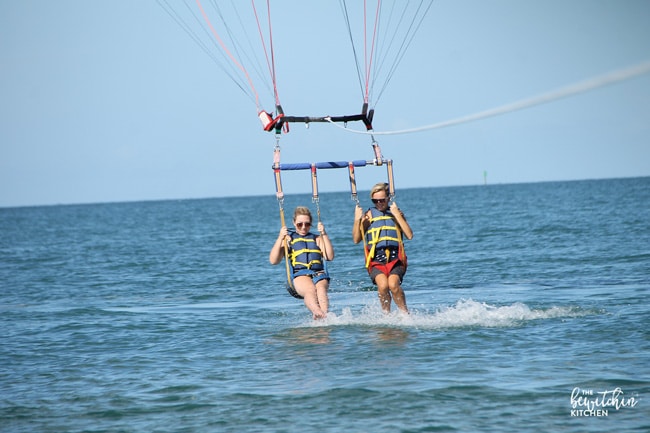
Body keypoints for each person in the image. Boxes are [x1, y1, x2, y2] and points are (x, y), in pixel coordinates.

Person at [353, 182, 413, 313]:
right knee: (383, 285)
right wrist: (357, 220)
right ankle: (386, 315)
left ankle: (405, 314)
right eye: (375, 201)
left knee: (393, 285)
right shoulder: (369, 215)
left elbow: (409, 235)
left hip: (396, 258)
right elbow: (356, 239)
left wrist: (397, 215)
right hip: (376, 259)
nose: (379, 203)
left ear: (388, 199)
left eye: (382, 200)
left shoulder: (396, 213)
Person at [269, 206, 334, 319]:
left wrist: (324, 233)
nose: (303, 227)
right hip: (300, 274)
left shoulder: (317, 238)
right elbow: (274, 261)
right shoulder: (288, 239)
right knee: (310, 290)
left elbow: (329, 256)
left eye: (307, 224)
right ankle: (317, 312)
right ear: (294, 223)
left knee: (321, 289)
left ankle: (325, 315)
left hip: (319, 273)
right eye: (300, 224)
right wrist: (280, 237)